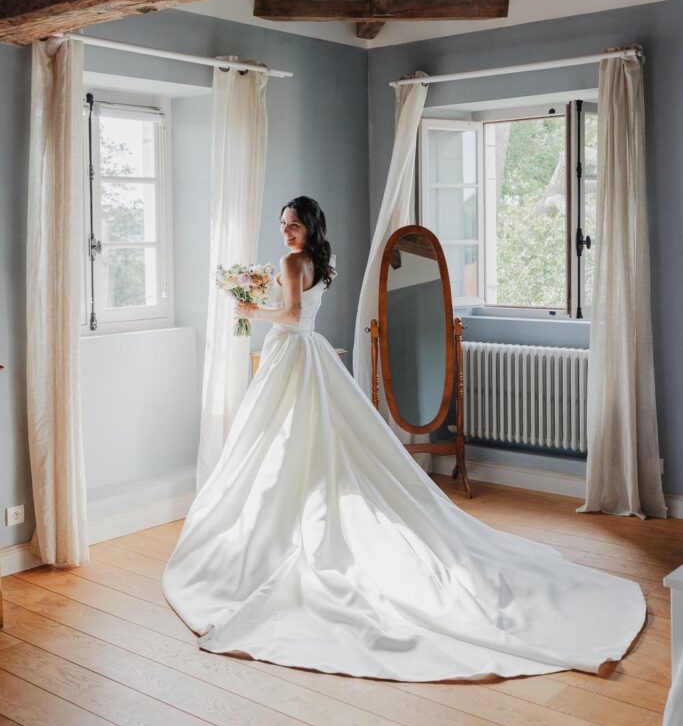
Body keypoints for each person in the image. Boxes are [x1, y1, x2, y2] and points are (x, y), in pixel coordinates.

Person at [161, 195, 646, 682]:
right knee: (301, 444)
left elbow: (289, 317)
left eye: (294, 224)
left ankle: (277, 526)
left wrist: (252, 309)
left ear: (309, 227)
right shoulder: (320, 263)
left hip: (292, 352)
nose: (286, 232)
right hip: (312, 354)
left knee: (281, 443)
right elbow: (302, 313)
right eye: (283, 224)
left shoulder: (291, 262)